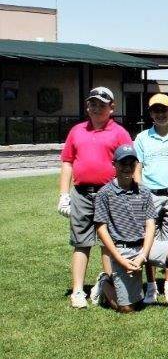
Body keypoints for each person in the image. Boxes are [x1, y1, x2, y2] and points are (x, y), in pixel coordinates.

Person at [90, 145, 168, 314]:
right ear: (115, 164)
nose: (127, 167)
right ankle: (105, 282)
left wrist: (143, 255)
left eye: (131, 163)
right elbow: (101, 229)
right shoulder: (104, 193)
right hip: (122, 250)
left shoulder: (143, 191)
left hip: (145, 246)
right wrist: (119, 259)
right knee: (127, 309)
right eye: (123, 163)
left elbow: (150, 225)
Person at [58, 86, 133, 308]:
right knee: (81, 242)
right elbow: (67, 162)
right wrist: (63, 194)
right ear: (87, 106)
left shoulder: (120, 132)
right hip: (81, 193)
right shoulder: (77, 131)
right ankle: (78, 291)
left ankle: (109, 286)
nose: (97, 108)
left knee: (108, 243)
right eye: (93, 104)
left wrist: (131, 192)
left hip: (110, 193)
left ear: (112, 108)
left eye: (102, 104)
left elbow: (130, 164)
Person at [133, 93, 168, 305]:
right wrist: (139, 196)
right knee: (148, 240)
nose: (160, 114)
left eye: (164, 110)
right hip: (149, 195)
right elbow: (137, 169)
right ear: (150, 114)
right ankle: (151, 285)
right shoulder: (142, 138)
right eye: (155, 110)